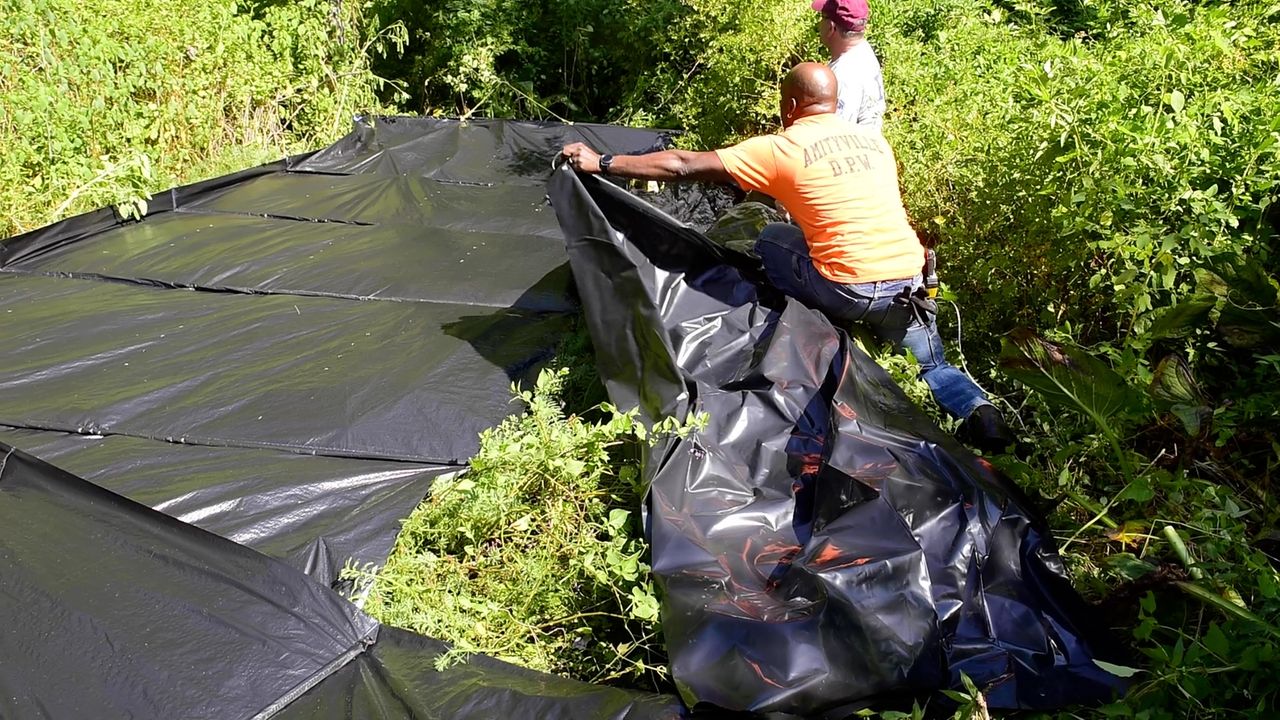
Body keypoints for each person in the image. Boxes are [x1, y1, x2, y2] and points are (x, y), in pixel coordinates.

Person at [559, 63, 1014, 452]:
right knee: (934, 364)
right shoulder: (874, 142)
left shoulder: (782, 147)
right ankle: (980, 412)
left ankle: (797, 313)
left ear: (791, 106)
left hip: (848, 288)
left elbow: (681, 165)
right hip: (908, 283)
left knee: (774, 236)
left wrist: (602, 163)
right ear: (833, 102)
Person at [813, 0, 885, 128]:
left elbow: (837, 133)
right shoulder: (864, 51)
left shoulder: (844, 75)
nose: (819, 24)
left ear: (831, 27)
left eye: (822, 17)